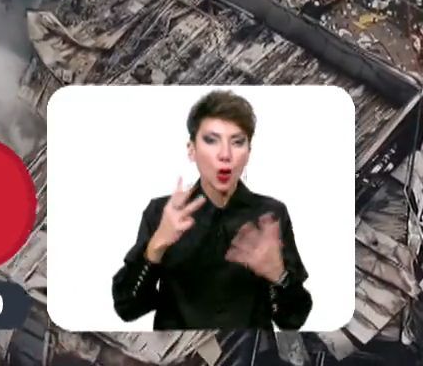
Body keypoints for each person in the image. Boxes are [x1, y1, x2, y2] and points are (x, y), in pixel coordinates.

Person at [112, 90, 312, 330]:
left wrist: (278, 275)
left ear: (249, 151)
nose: (225, 155)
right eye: (211, 140)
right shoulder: (161, 213)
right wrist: (156, 246)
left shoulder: (270, 215)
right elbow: (127, 308)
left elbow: (292, 320)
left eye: (237, 142)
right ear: (192, 149)